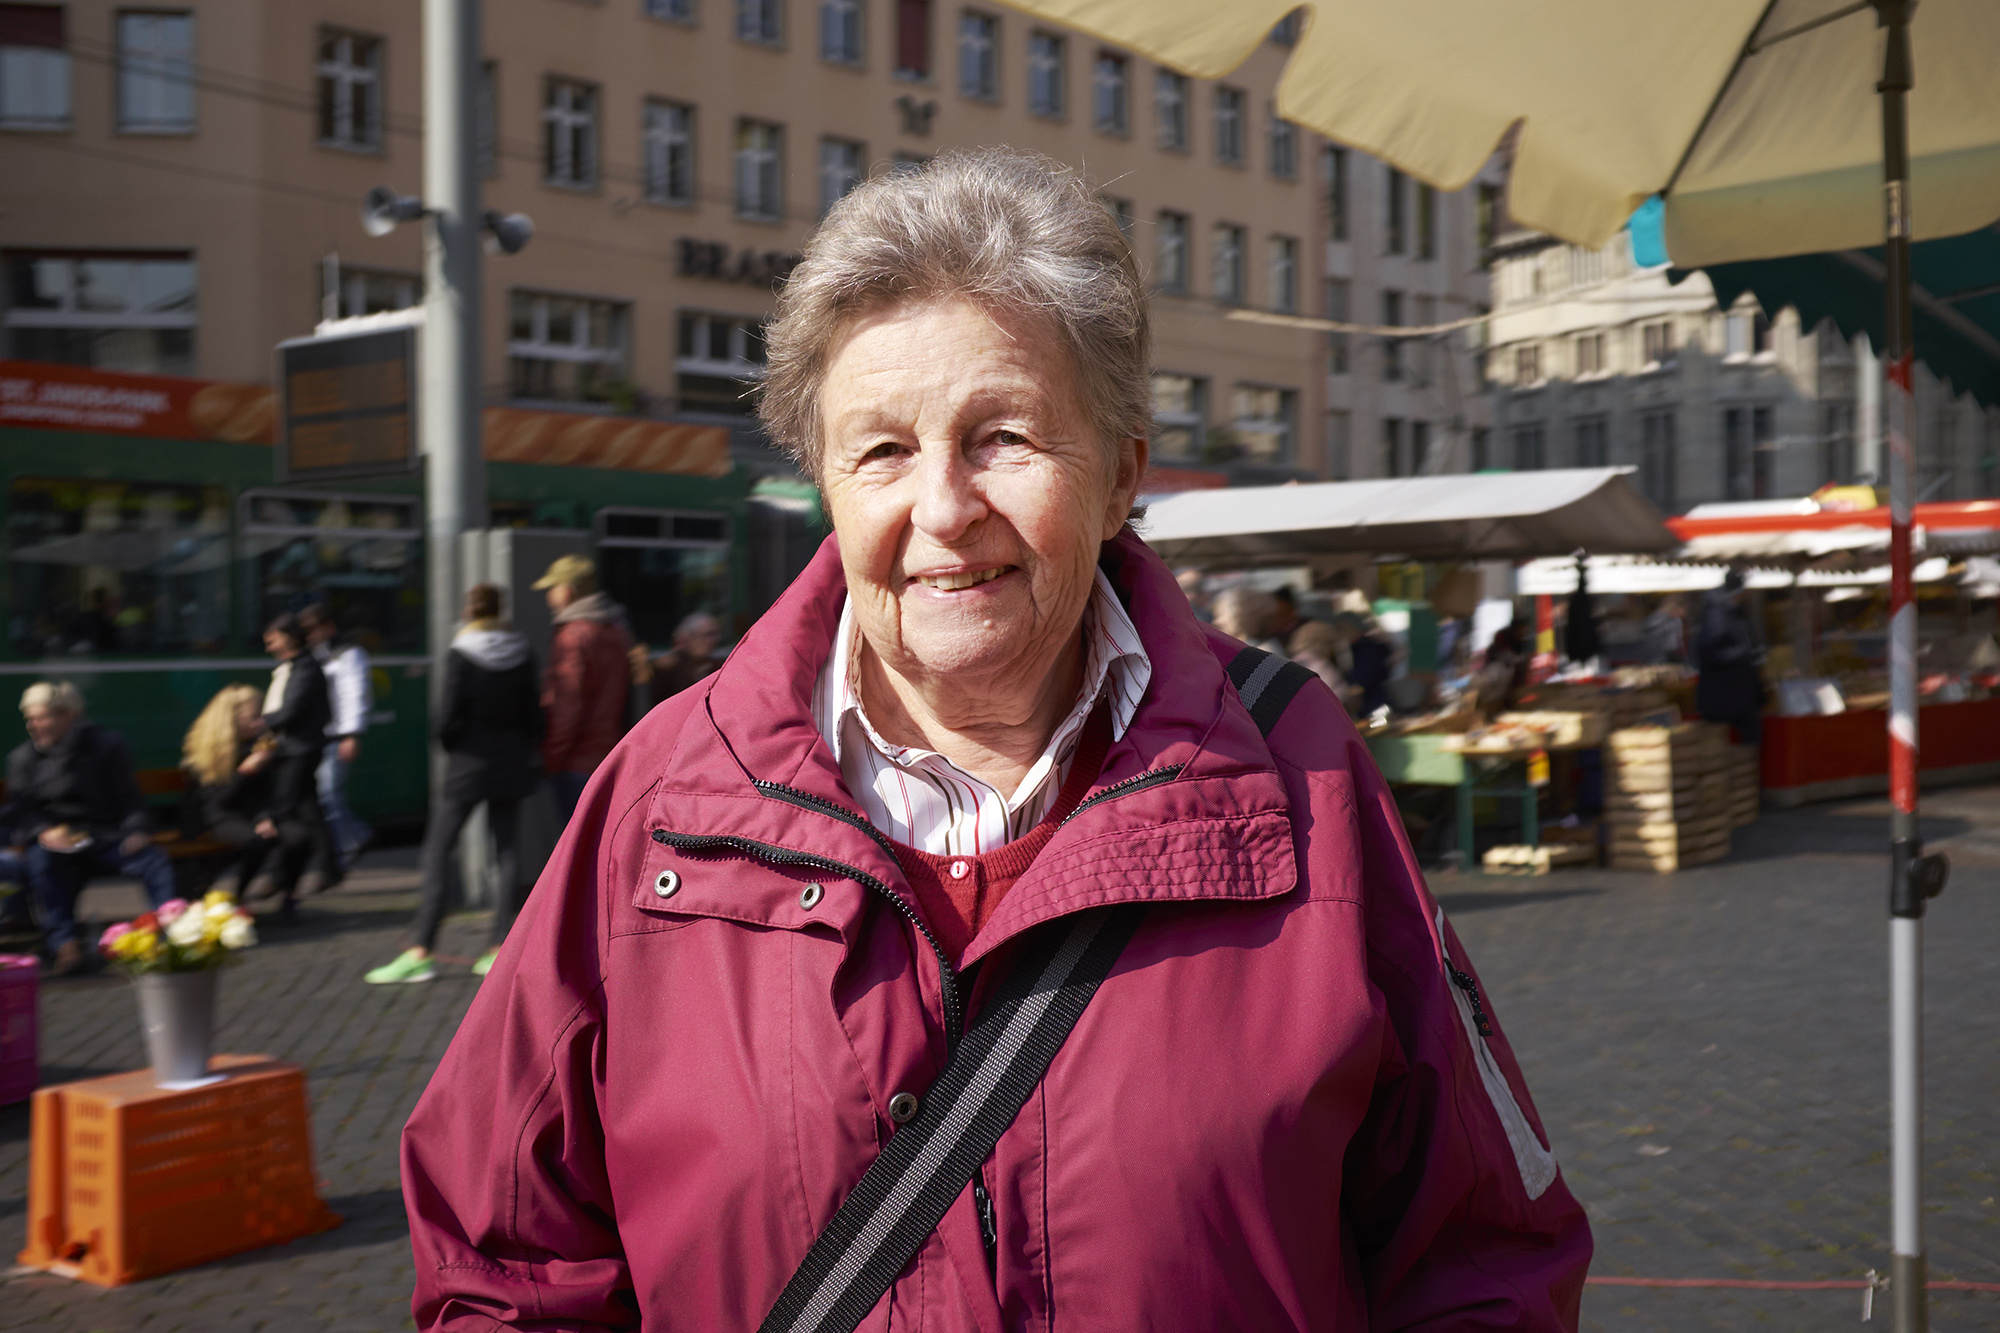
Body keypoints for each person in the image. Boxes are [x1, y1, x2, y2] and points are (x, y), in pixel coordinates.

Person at [401, 149, 1588, 1331]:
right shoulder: (664, 792)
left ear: (1121, 473)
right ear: (826, 484)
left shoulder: (1294, 771)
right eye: (880, 450)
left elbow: (1481, 1256)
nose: (942, 508)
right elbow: (497, 1261)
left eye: (1003, 438)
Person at [367, 585, 543, 984]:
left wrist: (455, 747)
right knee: (507, 852)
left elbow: (446, 717)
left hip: (468, 763)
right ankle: (499, 948)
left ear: (469, 610)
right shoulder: (523, 652)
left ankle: (421, 949)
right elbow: (535, 717)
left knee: (437, 851)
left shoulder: (462, 654)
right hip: (511, 761)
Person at [8, 681, 174, 975]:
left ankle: (172, 935)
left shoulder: (106, 746)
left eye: (42, 718)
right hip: (57, 843)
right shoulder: (22, 759)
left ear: (67, 716)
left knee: (155, 861)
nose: (34, 726)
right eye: (29, 719)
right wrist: (44, 831)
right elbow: (25, 811)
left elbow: (129, 797)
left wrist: (137, 830)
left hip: (104, 837)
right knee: (42, 863)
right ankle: (65, 945)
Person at [179, 683, 313, 897]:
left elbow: (272, 793)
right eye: (252, 717)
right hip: (221, 818)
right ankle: (239, 897)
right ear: (230, 720)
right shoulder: (209, 753)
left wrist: (266, 817)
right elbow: (220, 802)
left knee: (299, 837)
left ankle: (288, 897)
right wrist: (244, 772)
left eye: (261, 715)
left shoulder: (261, 746)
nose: (260, 722)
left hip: (255, 815)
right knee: (257, 842)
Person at [532, 554, 633, 826]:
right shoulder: (616, 630)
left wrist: (551, 758)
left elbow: (567, 706)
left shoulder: (572, 636)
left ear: (567, 591)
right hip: (608, 756)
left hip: (576, 762)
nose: (549, 596)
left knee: (573, 851)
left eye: (552, 588)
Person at [255, 614, 330, 917]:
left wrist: (261, 725)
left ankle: (277, 875)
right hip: (296, 748)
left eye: (272, 638)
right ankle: (323, 869)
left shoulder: (305, 669)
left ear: (288, 638)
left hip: (299, 749)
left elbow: (290, 711)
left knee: (283, 810)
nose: (268, 646)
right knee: (309, 810)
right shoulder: (297, 668)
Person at [299, 602, 373, 883]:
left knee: (328, 793)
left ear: (328, 627)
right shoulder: (321, 654)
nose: (309, 635)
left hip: (337, 734)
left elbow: (354, 693)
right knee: (325, 794)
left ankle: (349, 842)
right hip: (322, 734)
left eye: (312, 629)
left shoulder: (349, 654)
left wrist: (350, 734)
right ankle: (351, 840)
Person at [1695, 568, 1767, 745]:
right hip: (1728, 696)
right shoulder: (1719, 616)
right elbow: (1712, 654)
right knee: (1732, 746)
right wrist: (1744, 656)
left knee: (1739, 746)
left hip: (1734, 695)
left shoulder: (1732, 614)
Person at [646, 611, 723, 708]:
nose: (714, 640)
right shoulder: (669, 666)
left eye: (716, 635)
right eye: (708, 635)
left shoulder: (718, 667)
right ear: (689, 637)